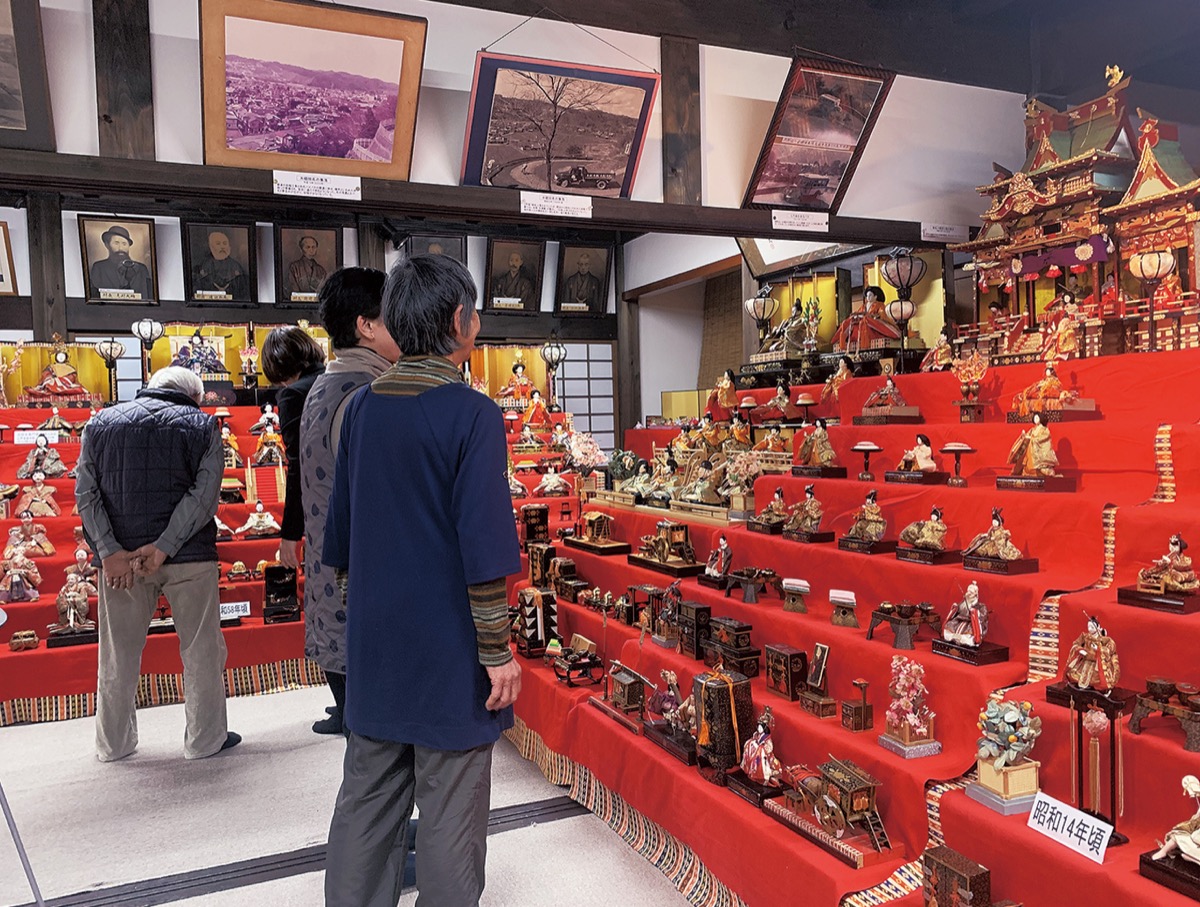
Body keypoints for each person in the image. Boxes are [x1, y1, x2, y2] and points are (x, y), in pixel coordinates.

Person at [323, 254, 521, 906]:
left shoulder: (360, 409)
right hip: (449, 646)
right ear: (460, 320)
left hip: (375, 640)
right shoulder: (473, 414)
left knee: (366, 801)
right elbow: (483, 547)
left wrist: (361, 627)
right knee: (450, 812)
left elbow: (342, 537)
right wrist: (497, 651)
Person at [76, 366, 237, 761]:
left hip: (120, 560)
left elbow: (86, 493)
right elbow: (204, 497)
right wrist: (164, 546)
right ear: (194, 397)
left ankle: (113, 744)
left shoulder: (100, 423)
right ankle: (204, 741)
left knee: (117, 655)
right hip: (189, 557)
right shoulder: (202, 425)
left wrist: (108, 551)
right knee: (201, 651)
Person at [299, 267, 398, 736]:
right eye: (395, 317)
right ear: (367, 326)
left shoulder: (324, 384)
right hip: (362, 582)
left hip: (329, 572)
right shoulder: (368, 393)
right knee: (378, 737)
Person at [261, 327, 327, 573]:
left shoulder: (294, 394)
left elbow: (300, 465)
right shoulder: (339, 378)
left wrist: (291, 533)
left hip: (323, 505)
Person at [89, 224, 153, 300]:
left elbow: (147, 296)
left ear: (129, 246)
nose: (120, 248)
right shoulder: (99, 268)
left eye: (124, 244)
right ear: (107, 244)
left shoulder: (141, 269)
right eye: (116, 243)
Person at [192, 230, 250, 300]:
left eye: (225, 243)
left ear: (229, 247)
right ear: (211, 247)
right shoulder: (203, 266)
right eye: (218, 244)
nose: (222, 247)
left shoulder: (236, 266)